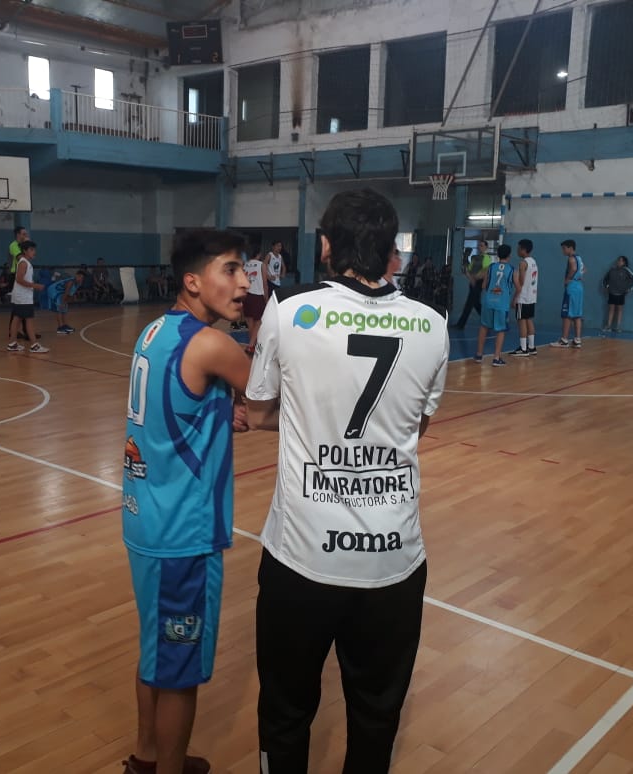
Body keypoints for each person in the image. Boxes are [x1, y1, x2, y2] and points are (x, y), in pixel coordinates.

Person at [245, 188, 449, 774]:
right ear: (392, 252)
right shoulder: (432, 324)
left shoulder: (290, 308)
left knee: (285, 713)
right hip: (394, 561)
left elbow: (258, 412)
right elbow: (418, 426)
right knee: (376, 717)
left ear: (326, 246)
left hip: (302, 556)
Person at [121, 229, 252, 774]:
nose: (244, 283)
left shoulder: (154, 331)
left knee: (156, 650)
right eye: (231, 270)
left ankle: (147, 757)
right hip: (183, 531)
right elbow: (270, 395)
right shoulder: (213, 344)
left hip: (144, 518)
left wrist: (221, 411)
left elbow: (182, 403)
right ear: (193, 282)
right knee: (180, 672)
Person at [474, 243, 519, 366]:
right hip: (502, 303)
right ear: (509, 255)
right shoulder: (512, 270)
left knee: (484, 327)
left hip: (488, 301)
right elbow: (518, 287)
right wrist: (514, 299)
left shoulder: (491, 267)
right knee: (500, 330)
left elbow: (484, 285)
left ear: (498, 255)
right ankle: (496, 358)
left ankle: (479, 355)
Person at [6, 242, 48, 354]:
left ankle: (12, 343)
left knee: (17, 318)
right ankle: (34, 345)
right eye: (31, 250)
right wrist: (35, 286)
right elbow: (19, 280)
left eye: (34, 249)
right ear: (25, 251)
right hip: (23, 297)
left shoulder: (25, 262)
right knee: (29, 320)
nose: (34, 252)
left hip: (20, 296)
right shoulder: (24, 263)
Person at [550, 239, 586, 349]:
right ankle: (577, 340)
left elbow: (574, 268)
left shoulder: (571, 258)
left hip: (572, 287)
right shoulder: (579, 258)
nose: (563, 251)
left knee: (567, 314)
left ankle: (564, 340)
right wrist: (579, 276)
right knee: (577, 314)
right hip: (579, 286)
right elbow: (584, 269)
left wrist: (568, 279)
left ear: (570, 248)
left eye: (564, 248)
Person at [509, 239, 539, 357]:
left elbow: (520, 282)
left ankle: (523, 349)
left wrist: (515, 298)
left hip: (523, 296)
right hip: (532, 296)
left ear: (523, 249)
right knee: (528, 320)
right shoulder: (533, 261)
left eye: (518, 248)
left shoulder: (523, 263)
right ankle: (531, 347)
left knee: (521, 321)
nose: (517, 250)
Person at [453, 241, 491, 328]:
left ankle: (460, 325)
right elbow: (469, 269)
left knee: (469, 304)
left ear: (486, 247)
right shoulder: (475, 258)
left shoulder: (486, 257)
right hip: (473, 282)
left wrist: (477, 279)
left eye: (482, 245)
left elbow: (485, 271)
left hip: (479, 282)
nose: (479, 247)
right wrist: (465, 258)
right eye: (479, 245)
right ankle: (489, 320)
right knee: (476, 304)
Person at [242, 246, 270, 356]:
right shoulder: (261, 265)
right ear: (258, 254)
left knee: (250, 322)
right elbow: (265, 283)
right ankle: (250, 346)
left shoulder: (245, 265)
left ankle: (252, 345)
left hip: (246, 295)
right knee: (259, 321)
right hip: (257, 295)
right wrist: (266, 298)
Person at [8, 226, 33, 340]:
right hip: (15, 275)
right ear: (18, 234)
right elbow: (21, 258)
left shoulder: (23, 246)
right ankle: (14, 331)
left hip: (23, 273)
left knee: (24, 305)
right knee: (18, 306)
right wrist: (27, 247)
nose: (25, 236)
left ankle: (26, 331)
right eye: (24, 234)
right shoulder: (14, 245)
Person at [602, 256, 633, 333]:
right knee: (611, 309)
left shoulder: (626, 270)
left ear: (624, 262)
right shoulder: (612, 270)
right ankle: (608, 326)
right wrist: (606, 287)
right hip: (612, 293)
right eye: (618, 260)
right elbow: (605, 279)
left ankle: (618, 327)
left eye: (621, 261)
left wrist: (630, 288)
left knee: (619, 310)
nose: (619, 262)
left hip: (621, 293)